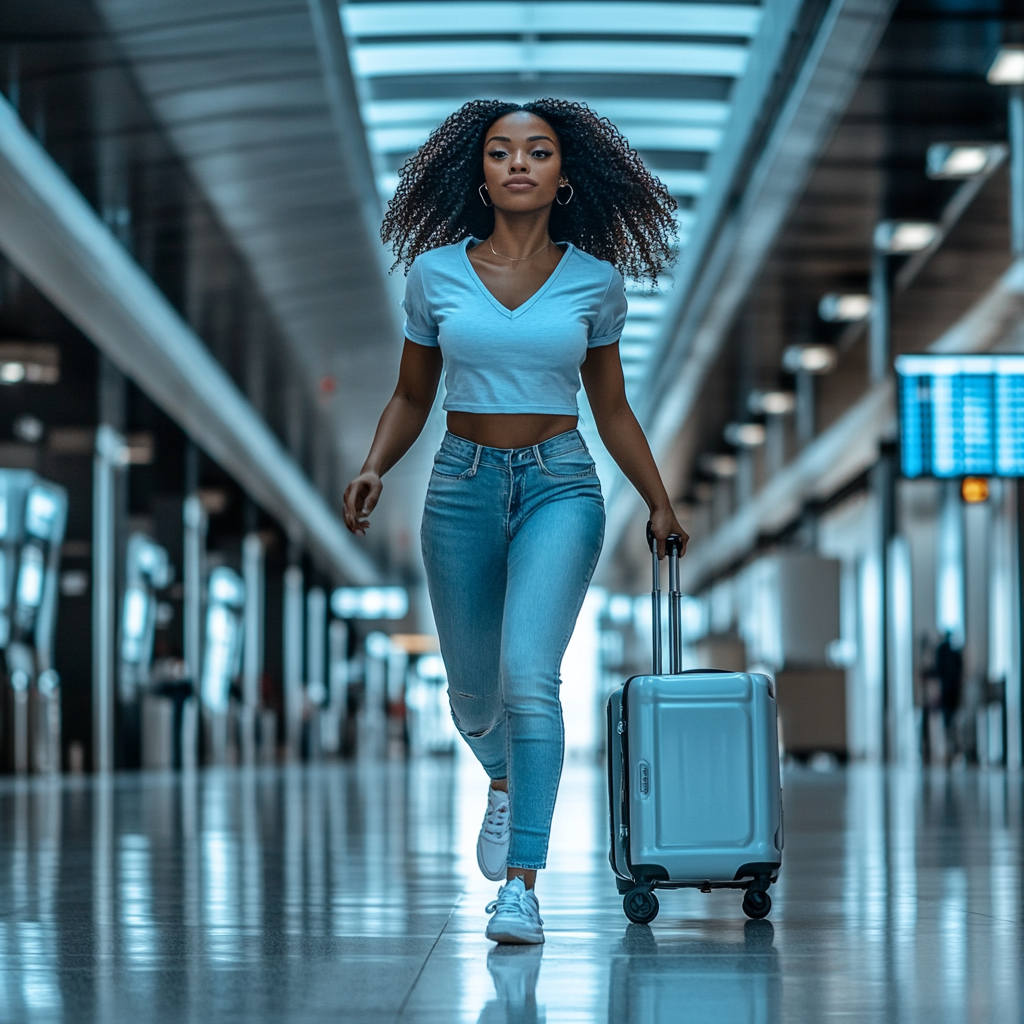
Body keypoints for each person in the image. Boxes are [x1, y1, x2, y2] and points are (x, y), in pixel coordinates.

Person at [342, 99, 686, 945]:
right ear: (482, 173)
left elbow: (611, 407)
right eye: (501, 153)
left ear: (566, 177)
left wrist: (659, 498)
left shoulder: (596, 283)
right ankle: (503, 780)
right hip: (458, 485)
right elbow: (414, 393)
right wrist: (373, 464)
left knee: (530, 676)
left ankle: (521, 885)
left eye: (538, 152)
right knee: (471, 696)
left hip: (560, 487)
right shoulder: (435, 275)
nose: (520, 164)